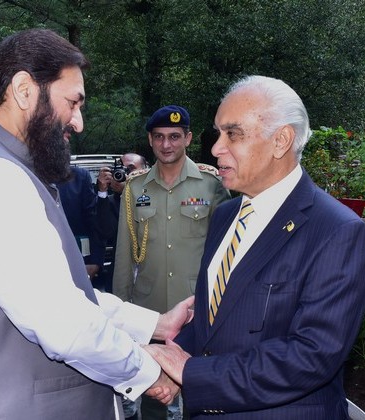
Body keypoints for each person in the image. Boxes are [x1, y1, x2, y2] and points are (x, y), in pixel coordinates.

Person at [0, 28, 191, 420]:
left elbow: (64, 292)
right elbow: (62, 322)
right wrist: (148, 370)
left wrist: (156, 325)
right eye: (72, 102)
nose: (78, 122)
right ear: (24, 90)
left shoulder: (6, 167)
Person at [144, 75, 365, 419]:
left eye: (233, 134)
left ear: (280, 141)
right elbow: (215, 321)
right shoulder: (225, 216)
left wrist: (192, 373)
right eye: (219, 133)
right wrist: (171, 365)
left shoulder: (337, 231)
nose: (216, 148)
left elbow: (310, 357)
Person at [112, 105, 230, 419]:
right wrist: (122, 311)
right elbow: (125, 253)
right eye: (160, 137)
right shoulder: (135, 187)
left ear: (187, 138)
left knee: (200, 389)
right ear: (150, 140)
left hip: (197, 308)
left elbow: (226, 250)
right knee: (154, 391)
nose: (167, 144)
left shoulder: (211, 184)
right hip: (149, 309)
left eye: (175, 136)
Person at [96, 152, 148, 293]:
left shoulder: (156, 196)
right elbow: (106, 232)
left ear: (145, 171)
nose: (124, 174)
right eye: (121, 169)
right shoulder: (109, 202)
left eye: (130, 169)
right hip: (120, 274)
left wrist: (128, 190)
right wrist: (102, 191)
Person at [57, 165, 106, 280]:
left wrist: (95, 260)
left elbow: (93, 219)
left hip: (78, 260)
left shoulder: (79, 177)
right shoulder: (26, 174)